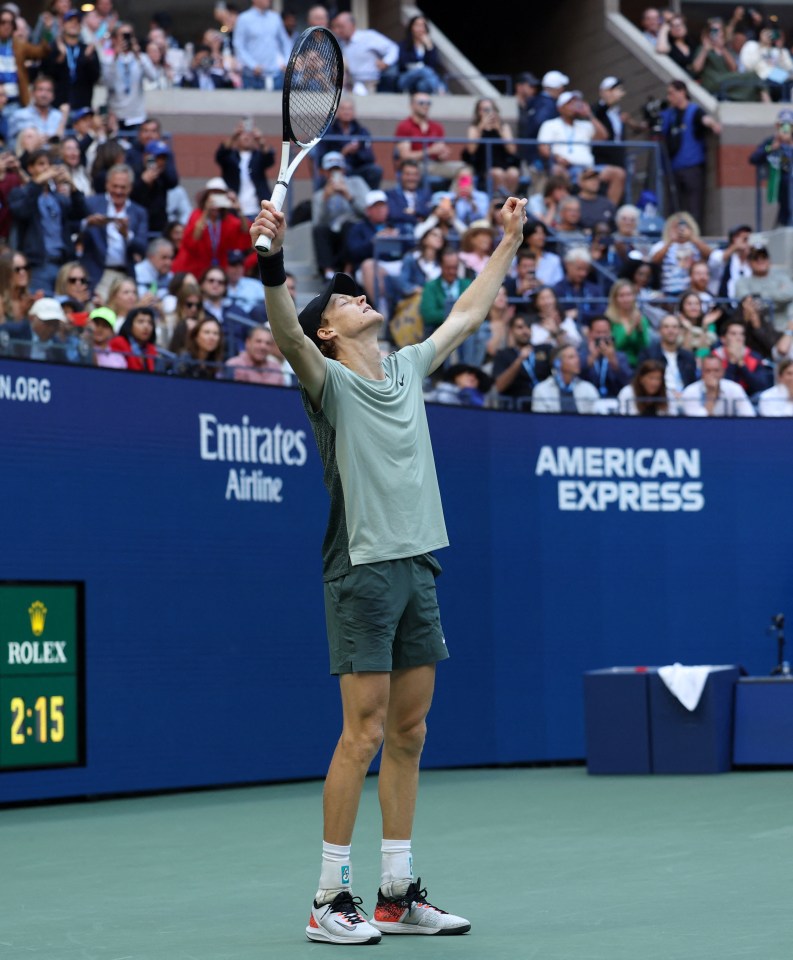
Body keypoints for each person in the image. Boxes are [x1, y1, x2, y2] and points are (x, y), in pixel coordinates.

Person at [250, 192, 527, 946]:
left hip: (418, 565)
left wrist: (507, 241)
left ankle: (396, 893)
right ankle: (326, 897)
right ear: (330, 333)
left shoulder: (405, 367)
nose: (354, 296)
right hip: (364, 570)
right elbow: (284, 333)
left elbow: (467, 312)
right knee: (361, 734)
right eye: (339, 300)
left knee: (409, 730)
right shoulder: (326, 380)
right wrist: (270, 261)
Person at [8, 146, 87, 295]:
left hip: (63, 264)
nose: (47, 169)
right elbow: (22, 211)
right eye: (41, 164)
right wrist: (37, 183)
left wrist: (73, 186)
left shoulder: (58, 197)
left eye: (49, 164)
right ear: (30, 168)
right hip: (37, 264)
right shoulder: (20, 193)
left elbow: (81, 213)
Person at [537, 90, 625, 205]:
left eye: (576, 102)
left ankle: (609, 211)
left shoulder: (585, 125)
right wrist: (556, 158)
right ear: (560, 108)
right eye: (569, 103)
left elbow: (603, 136)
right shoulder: (550, 124)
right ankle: (562, 212)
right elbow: (543, 148)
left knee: (618, 173)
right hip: (565, 167)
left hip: (588, 169)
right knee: (558, 172)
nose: (573, 106)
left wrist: (589, 114)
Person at [81, 163, 149, 296]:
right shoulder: (91, 204)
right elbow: (73, 228)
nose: (118, 191)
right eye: (115, 186)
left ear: (130, 188)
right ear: (107, 185)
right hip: (97, 273)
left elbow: (142, 248)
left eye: (123, 187)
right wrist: (88, 223)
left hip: (125, 274)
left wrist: (127, 235)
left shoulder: (138, 212)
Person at [660, 81, 721, 226]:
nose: (670, 98)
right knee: (673, 207)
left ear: (682, 92)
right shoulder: (670, 114)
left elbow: (705, 119)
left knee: (694, 206)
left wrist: (713, 124)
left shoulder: (694, 110)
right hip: (673, 168)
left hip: (692, 166)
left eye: (672, 93)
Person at [172, 179, 252, 279]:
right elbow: (194, 239)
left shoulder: (226, 220)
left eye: (220, 195)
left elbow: (245, 232)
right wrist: (206, 210)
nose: (216, 199)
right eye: (214, 194)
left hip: (215, 271)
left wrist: (239, 210)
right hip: (191, 268)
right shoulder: (197, 214)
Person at [311, 151, 369, 279]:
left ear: (343, 169)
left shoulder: (357, 183)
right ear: (324, 172)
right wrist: (325, 200)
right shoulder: (319, 195)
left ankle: (348, 270)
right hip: (332, 235)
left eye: (337, 169)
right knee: (320, 230)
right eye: (330, 170)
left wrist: (349, 197)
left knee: (349, 226)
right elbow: (317, 223)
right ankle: (328, 273)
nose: (334, 174)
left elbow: (368, 212)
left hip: (352, 231)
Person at [394, 91, 463, 184]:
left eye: (428, 103)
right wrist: (430, 151)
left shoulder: (437, 127)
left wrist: (442, 154)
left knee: (464, 170)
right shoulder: (404, 126)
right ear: (412, 105)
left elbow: (440, 154)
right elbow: (406, 156)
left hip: (436, 165)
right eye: (421, 103)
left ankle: (455, 197)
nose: (425, 106)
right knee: (418, 169)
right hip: (415, 165)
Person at [102, 23, 159, 133]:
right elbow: (108, 83)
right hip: (116, 116)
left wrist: (138, 55)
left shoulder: (141, 58)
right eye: (122, 35)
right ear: (115, 38)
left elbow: (153, 77)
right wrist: (115, 57)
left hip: (136, 115)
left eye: (129, 35)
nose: (126, 39)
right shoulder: (109, 59)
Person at [316, 99, 382, 191]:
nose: (346, 112)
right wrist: (343, 153)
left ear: (354, 112)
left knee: (375, 170)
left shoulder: (362, 131)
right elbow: (320, 158)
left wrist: (357, 151)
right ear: (338, 112)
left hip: (357, 168)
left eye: (349, 109)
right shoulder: (328, 131)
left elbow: (370, 157)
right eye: (343, 109)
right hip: (335, 170)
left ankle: (370, 200)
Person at [331, 10, 398, 95]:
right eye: (336, 27)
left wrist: (386, 62)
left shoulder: (368, 36)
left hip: (371, 84)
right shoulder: (339, 43)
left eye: (341, 27)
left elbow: (393, 48)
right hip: (349, 86)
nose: (338, 30)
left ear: (352, 25)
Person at [463, 98, 519, 196]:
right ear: (478, 112)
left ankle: (509, 200)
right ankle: (502, 201)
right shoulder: (474, 128)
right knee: (498, 173)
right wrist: (481, 128)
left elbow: (512, 150)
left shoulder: (504, 127)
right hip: (484, 164)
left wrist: (499, 131)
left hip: (503, 162)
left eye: (490, 109)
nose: (488, 113)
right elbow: (471, 150)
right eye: (484, 110)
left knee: (513, 173)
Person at [637, 313, 698, 402]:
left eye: (674, 327)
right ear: (659, 330)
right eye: (666, 327)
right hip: (658, 400)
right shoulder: (648, 354)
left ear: (680, 331)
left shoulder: (688, 357)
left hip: (686, 400)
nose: (670, 330)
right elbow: (641, 381)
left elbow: (692, 383)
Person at [492, 312, 549, 407]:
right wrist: (519, 360)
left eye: (528, 327)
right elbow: (499, 386)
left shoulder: (544, 349)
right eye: (520, 327)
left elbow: (564, 360)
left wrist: (557, 333)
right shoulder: (503, 354)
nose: (525, 331)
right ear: (511, 331)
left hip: (546, 404)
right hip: (517, 407)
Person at [0, 8, 50, 115]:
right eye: (2, 22)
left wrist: (46, 32)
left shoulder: (18, 45)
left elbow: (42, 52)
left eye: (10, 23)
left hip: (15, 100)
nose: (7, 26)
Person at [650, 212, 712, 297]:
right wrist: (670, 241)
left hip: (692, 292)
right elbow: (655, 261)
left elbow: (711, 255)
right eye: (676, 227)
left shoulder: (697, 245)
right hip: (669, 291)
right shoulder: (662, 245)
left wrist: (692, 238)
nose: (681, 230)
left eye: (684, 226)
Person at [749, 109, 793, 228]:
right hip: (782, 184)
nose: (785, 128)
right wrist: (772, 147)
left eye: (789, 125)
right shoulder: (771, 142)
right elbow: (754, 158)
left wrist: (789, 145)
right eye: (782, 125)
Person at [234, 0, 290, 90]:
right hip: (252, 76)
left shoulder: (275, 17)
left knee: (278, 104)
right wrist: (253, 65)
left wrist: (286, 62)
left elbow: (286, 42)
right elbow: (239, 46)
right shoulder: (244, 19)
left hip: (276, 75)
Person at [735, 244, 793, 330]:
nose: (760, 261)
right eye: (756, 258)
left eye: (764, 257)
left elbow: (790, 293)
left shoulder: (782, 277)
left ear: (769, 260)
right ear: (748, 262)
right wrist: (778, 295)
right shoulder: (742, 282)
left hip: (783, 328)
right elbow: (749, 302)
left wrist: (762, 296)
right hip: (756, 330)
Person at [679, 352, 756, 416]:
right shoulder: (690, 392)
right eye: (708, 371)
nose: (712, 375)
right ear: (702, 373)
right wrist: (711, 394)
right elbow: (695, 425)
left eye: (716, 370)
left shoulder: (735, 389)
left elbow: (749, 415)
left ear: (723, 372)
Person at [531, 342, 600, 413]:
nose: (577, 360)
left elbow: (596, 419)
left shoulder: (588, 388)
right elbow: (539, 421)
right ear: (557, 363)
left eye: (577, 356)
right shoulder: (541, 390)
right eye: (571, 357)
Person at [711, 319, 773, 395]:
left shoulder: (754, 356)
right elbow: (718, 388)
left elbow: (762, 386)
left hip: (750, 399)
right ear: (723, 339)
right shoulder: (714, 357)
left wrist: (742, 364)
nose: (739, 337)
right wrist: (732, 361)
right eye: (733, 334)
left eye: (742, 334)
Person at [419, 247, 472, 336]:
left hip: (464, 331)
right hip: (438, 331)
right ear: (441, 266)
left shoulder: (467, 284)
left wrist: (446, 314)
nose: (451, 271)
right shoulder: (431, 286)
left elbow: (472, 311)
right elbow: (428, 315)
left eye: (455, 268)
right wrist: (458, 315)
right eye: (448, 268)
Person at [580, 316, 633, 398]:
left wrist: (612, 359)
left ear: (610, 333)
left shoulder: (620, 356)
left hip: (614, 400)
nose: (602, 336)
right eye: (598, 332)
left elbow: (628, 381)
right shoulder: (581, 354)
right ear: (590, 333)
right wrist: (592, 357)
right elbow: (577, 376)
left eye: (605, 332)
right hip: (585, 400)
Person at [604, 278, 651, 367]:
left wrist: (639, 331)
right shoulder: (608, 319)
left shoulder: (640, 318)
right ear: (615, 298)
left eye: (629, 295)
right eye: (621, 296)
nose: (626, 299)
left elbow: (645, 346)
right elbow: (616, 346)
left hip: (638, 365)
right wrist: (630, 329)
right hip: (616, 365)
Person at [553, 247, 602, 328]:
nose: (583, 274)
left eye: (586, 270)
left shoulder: (594, 289)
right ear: (567, 265)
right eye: (579, 269)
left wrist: (579, 313)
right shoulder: (557, 289)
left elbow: (600, 311)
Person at [8, 73, 65, 142]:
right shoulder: (19, 115)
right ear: (32, 93)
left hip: (55, 152)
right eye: (40, 90)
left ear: (53, 95)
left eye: (48, 90)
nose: (44, 94)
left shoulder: (59, 116)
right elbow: (11, 143)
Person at [737, 292, 793, 361]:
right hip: (745, 357)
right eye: (750, 303)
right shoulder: (736, 322)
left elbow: (771, 343)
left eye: (755, 302)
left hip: (765, 358)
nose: (754, 305)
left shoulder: (764, 321)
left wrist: (755, 320)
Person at [396, 15, 444, 95]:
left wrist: (429, 47)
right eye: (417, 25)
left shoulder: (430, 46)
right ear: (411, 27)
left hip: (423, 80)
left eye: (423, 26)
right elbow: (403, 63)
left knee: (422, 85)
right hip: (406, 78)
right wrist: (420, 68)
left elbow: (433, 66)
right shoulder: (403, 45)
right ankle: (439, 88)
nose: (420, 29)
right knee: (424, 70)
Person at [385, 159, 432, 233]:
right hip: (400, 235)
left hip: (423, 234)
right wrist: (418, 216)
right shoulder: (391, 195)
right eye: (407, 174)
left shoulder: (425, 194)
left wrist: (413, 212)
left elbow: (428, 214)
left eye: (415, 175)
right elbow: (393, 214)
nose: (411, 178)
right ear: (400, 176)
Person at [708, 223, 753, 299]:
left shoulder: (751, 259)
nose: (746, 242)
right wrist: (735, 246)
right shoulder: (721, 252)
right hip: (724, 301)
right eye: (744, 238)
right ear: (733, 238)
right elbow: (715, 262)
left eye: (747, 239)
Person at [109, 304, 158, 371]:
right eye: (140, 322)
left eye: (150, 323)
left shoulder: (151, 349)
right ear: (130, 325)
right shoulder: (119, 343)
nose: (146, 327)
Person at [174, 314, 224, 378]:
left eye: (215, 333)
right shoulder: (185, 360)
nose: (212, 337)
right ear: (196, 337)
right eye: (207, 332)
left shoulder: (217, 364)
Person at [424, 363, 491, 407]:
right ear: (456, 375)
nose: (472, 378)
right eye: (468, 374)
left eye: (477, 378)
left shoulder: (480, 401)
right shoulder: (441, 392)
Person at [134, 237, 174, 302]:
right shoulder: (136, 272)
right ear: (151, 256)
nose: (168, 262)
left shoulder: (170, 276)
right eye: (164, 257)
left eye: (170, 258)